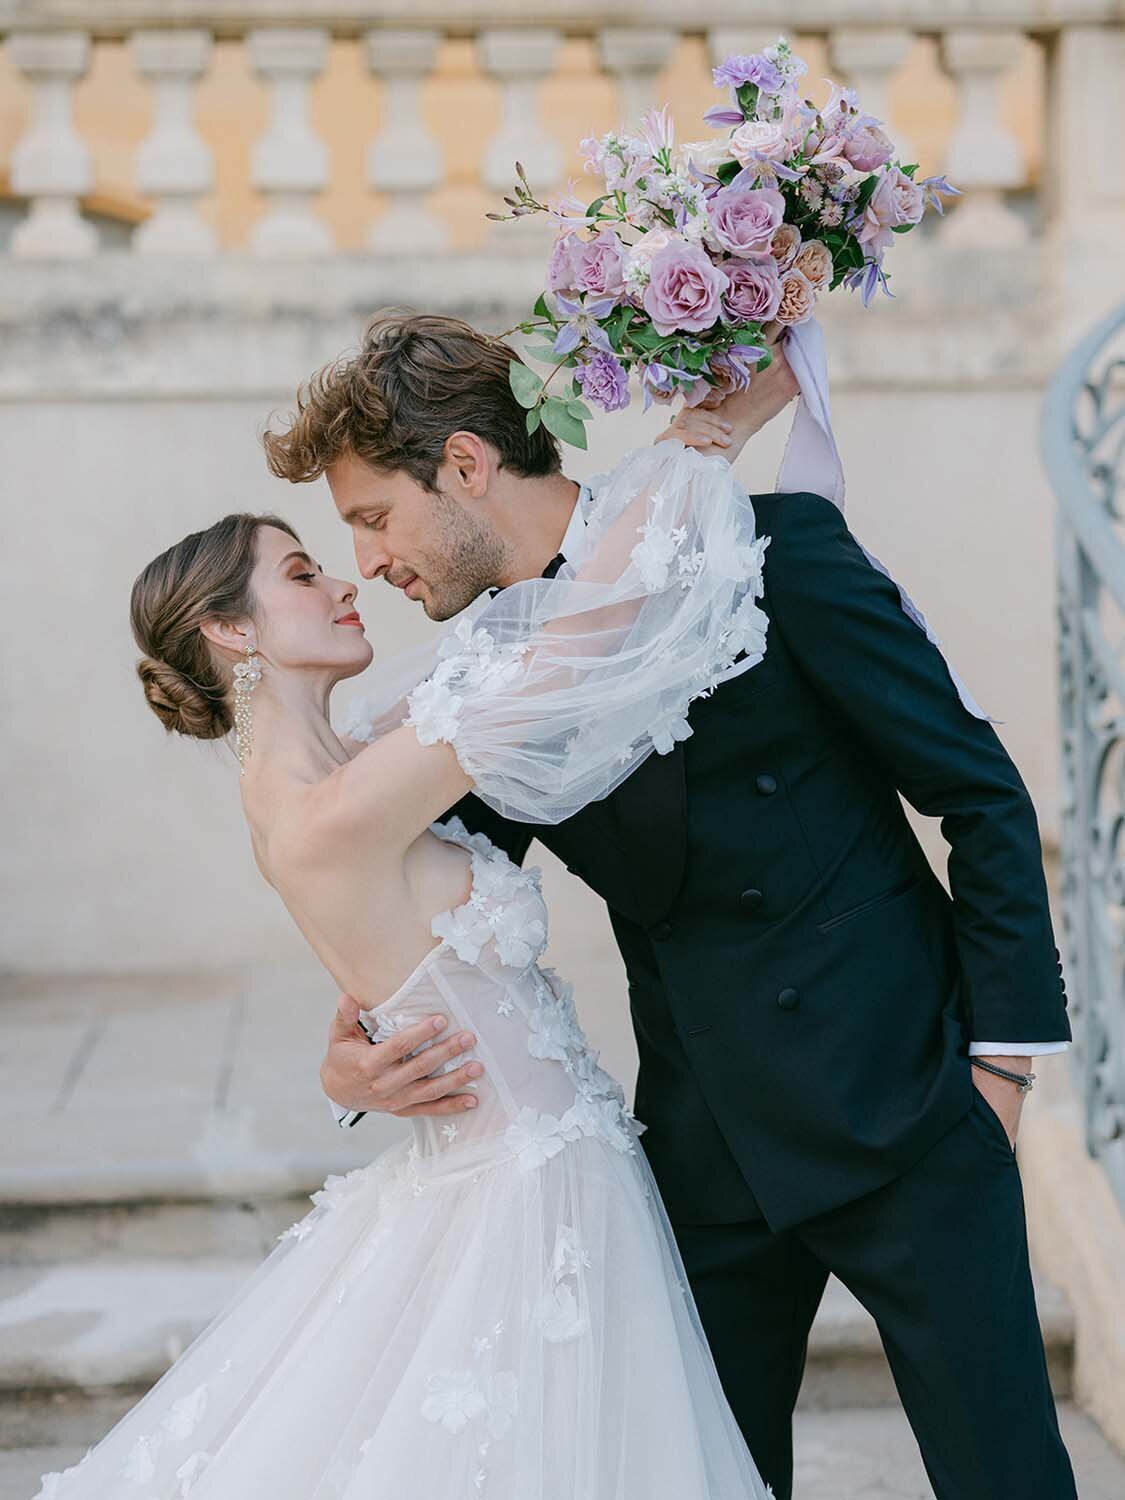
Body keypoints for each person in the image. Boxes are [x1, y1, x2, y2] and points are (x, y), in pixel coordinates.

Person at [298, 312, 1077, 1499]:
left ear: (463, 468)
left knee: (1005, 1478)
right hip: (709, 1161)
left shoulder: (777, 553)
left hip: (912, 1110)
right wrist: (352, 1057)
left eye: (372, 519)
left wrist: (1002, 1069)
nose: (372, 563)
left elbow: (980, 796)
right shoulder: (491, 686)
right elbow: (438, 902)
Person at [34, 421, 778, 1498]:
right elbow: (576, 638)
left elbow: (497, 654)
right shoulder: (332, 807)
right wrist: (705, 446)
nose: (345, 581)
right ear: (231, 631)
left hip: (541, 1172)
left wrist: (348, 1062)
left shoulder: (352, 755)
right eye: (300, 573)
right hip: (529, 1194)